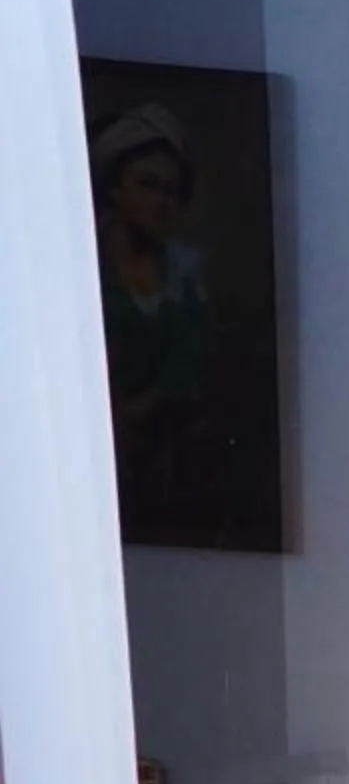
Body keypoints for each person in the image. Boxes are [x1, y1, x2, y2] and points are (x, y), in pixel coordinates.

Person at [89, 105, 213, 523]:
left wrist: (144, 408)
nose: (159, 202)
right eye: (146, 185)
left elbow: (188, 358)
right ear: (115, 189)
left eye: (169, 191)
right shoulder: (83, 267)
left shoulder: (185, 273)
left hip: (162, 454)